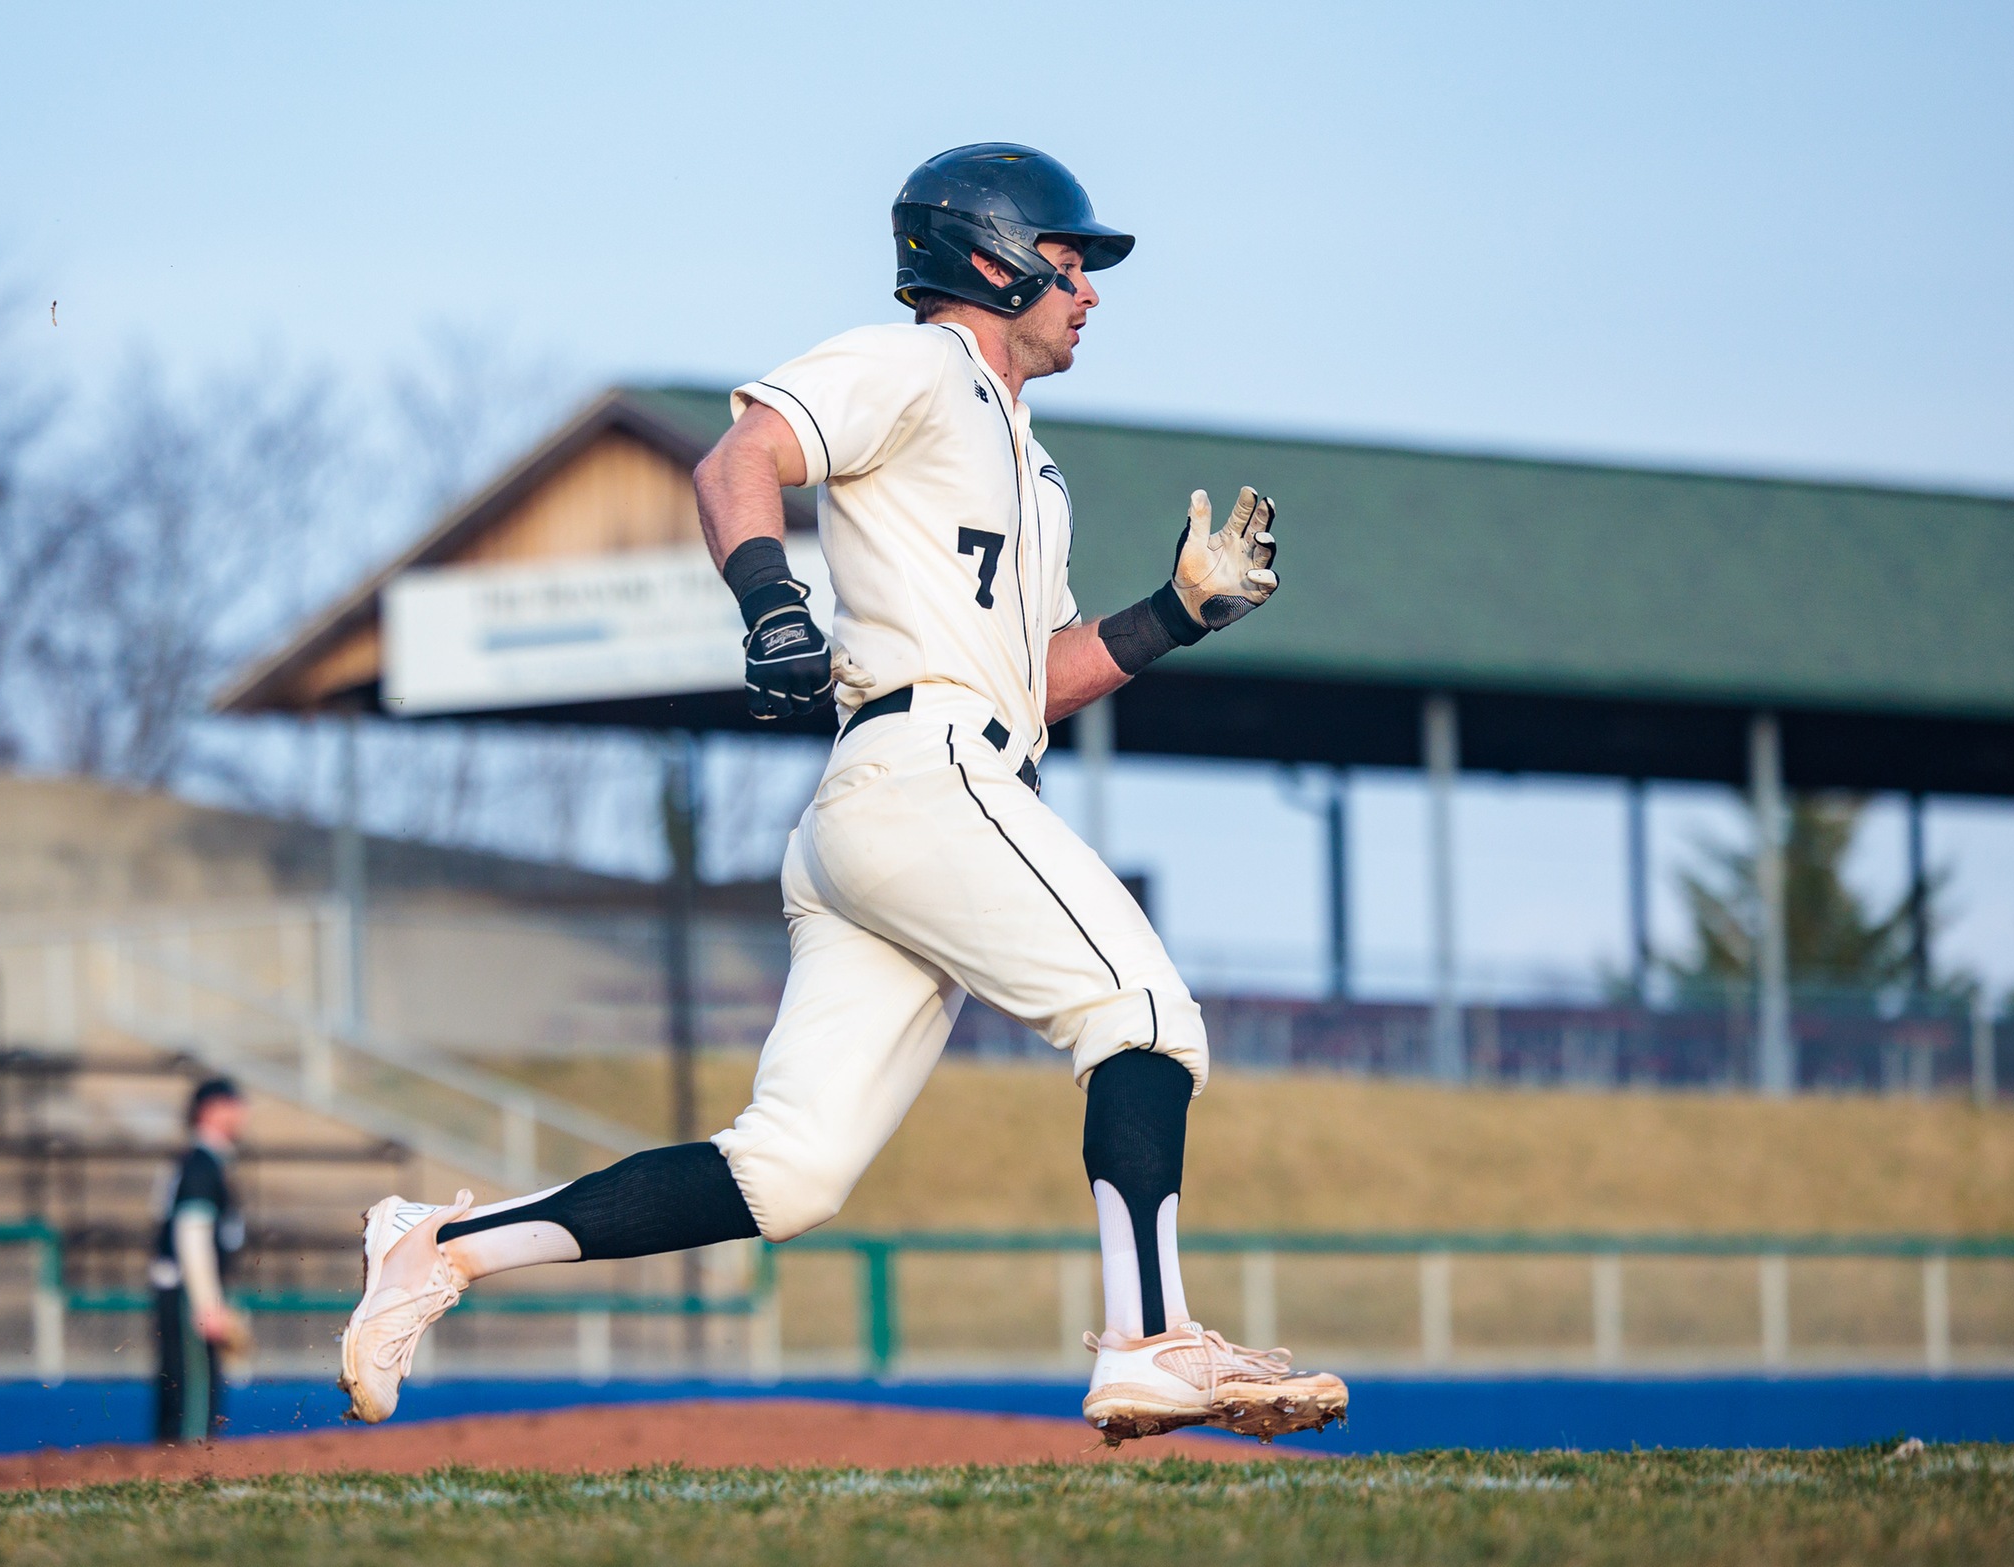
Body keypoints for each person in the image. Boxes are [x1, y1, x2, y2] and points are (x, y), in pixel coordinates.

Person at [339, 143, 1347, 1443]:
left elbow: (1031, 681)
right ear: (988, 260)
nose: (1087, 287)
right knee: (1141, 1014)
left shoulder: (1032, 467)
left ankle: (442, 1242)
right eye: (1068, 258)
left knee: (788, 1167)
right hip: (919, 772)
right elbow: (736, 458)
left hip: (917, 786)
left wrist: (1173, 615)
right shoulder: (919, 361)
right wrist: (768, 601)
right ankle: (1148, 1342)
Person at [152, 1076, 247, 1444]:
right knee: (193, 1400)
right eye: (234, 1104)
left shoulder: (202, 1162)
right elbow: (192, 1234)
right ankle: (184, 1477)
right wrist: (208, 1303)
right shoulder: (201, 1164)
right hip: (187, 1294)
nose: (243, 1114)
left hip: (183, 1292)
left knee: (185, 1391)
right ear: (211, 1110)